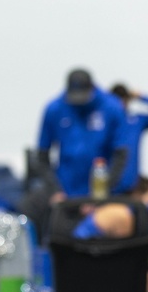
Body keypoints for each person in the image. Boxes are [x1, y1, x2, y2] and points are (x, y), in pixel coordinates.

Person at [36, 68, 128, 203]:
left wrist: (105, 190)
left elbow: (121, 154)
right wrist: (55, 190)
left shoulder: (112, 107)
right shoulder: (54, 108)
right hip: (66, 194)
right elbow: (42, 156)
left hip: (101, 192)